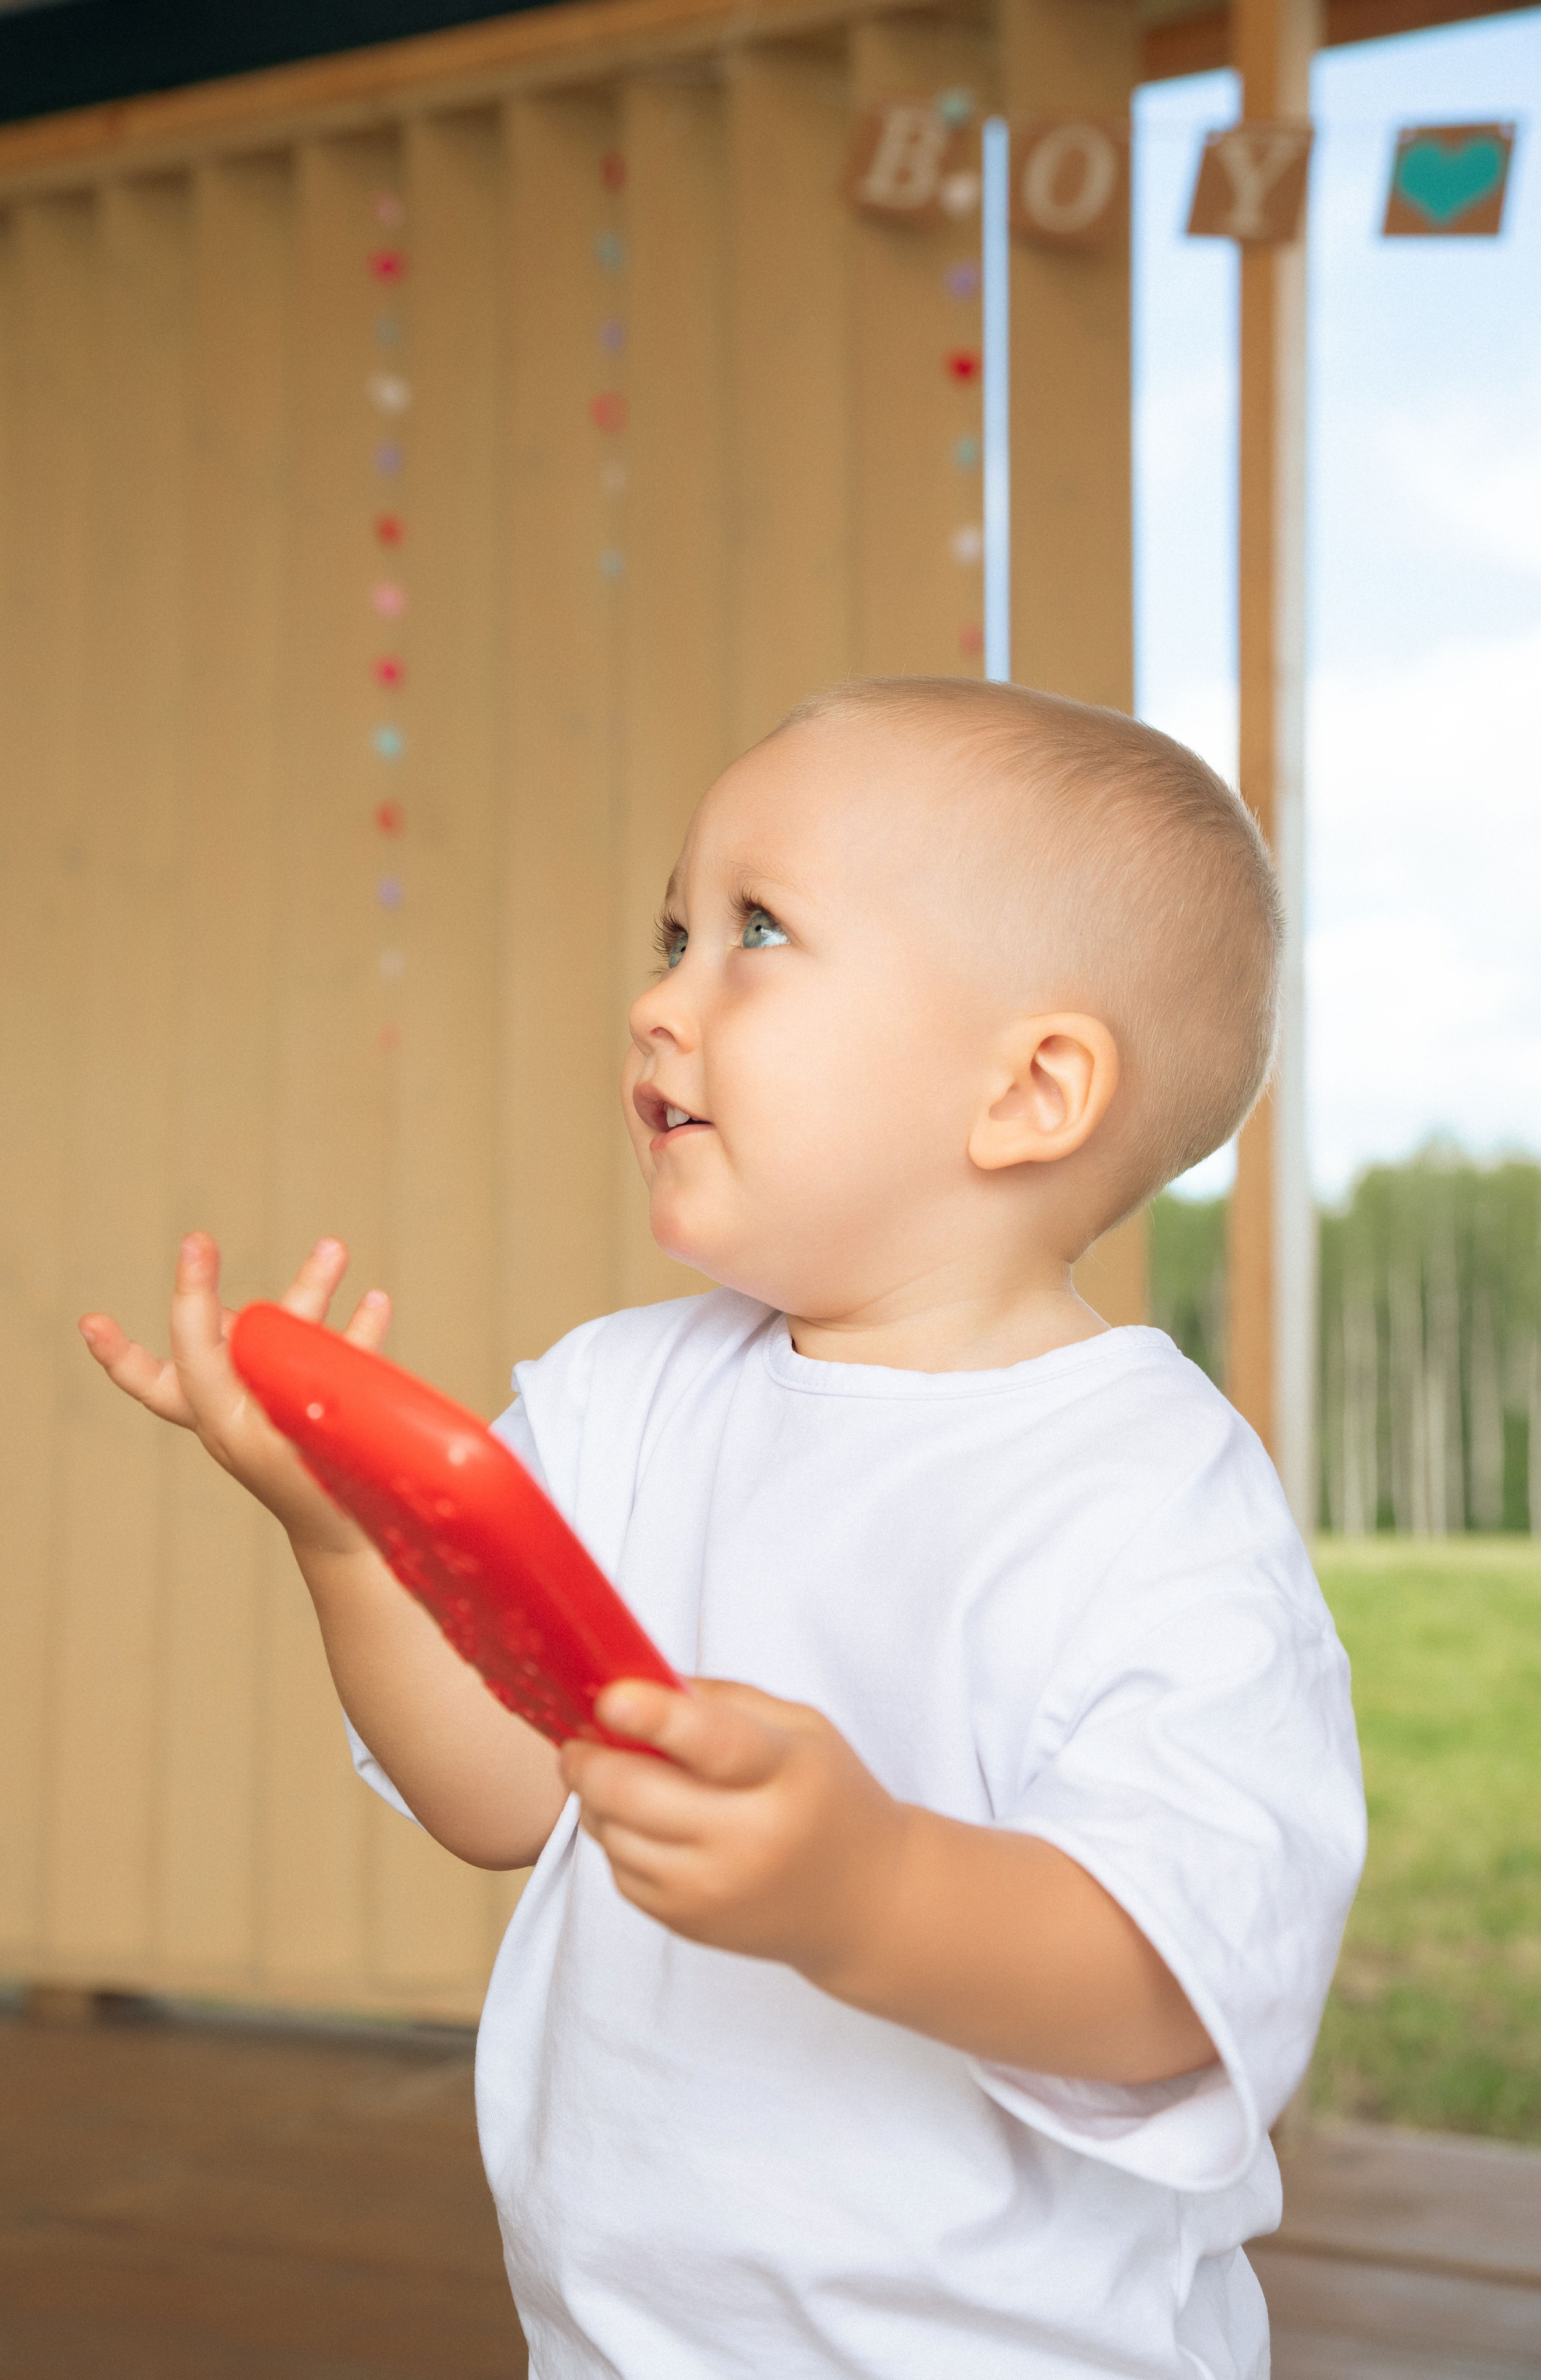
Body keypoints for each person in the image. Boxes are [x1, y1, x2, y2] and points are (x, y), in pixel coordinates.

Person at [81, 677, 1365, 2379]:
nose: (657, 1002)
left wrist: (871, 1887)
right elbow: (498, 1789)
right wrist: (342, 1537)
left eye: (754, 933)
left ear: (1031, 1091)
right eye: (672, 931)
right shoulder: (622, 1400)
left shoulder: (1146, 1496)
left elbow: (1173, 1982)